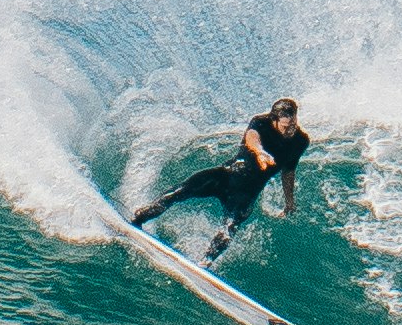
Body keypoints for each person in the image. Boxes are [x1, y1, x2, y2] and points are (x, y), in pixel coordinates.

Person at [129, 98, 309, 261]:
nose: (290, 130)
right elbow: (251, 138)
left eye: (293, 124)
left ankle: (205, 262)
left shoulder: (300, 141)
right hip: (227, 175)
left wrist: (289, 202)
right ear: (274, 120)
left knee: (229, 228)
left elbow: (288, 172)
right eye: (286, 127)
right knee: (180, 191)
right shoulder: (260, 122)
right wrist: (260, 153)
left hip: (247, 192)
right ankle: (139, 218)